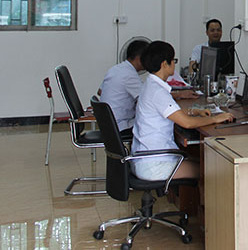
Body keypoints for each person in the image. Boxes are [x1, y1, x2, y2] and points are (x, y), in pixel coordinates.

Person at [131, 41, 233, 181]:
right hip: (154, 165)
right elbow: (187, 123)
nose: (174, 64)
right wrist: (215, 118)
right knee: (211, 170)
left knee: (201, 160)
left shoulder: (150, 85)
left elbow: (171, 112)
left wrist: (195, 112)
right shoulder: (158, 92)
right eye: (173, 60)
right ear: (164, 64)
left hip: (144, 158)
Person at [99, 40, 199, 134]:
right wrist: (180, 95)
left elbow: (100, 91)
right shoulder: (129, 75)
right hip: (121, 125)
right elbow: (186, 122)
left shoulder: (116, 69)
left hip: (108, 123)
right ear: (139, 58)